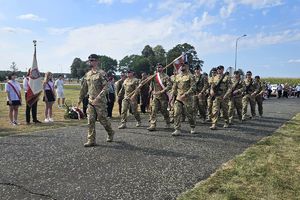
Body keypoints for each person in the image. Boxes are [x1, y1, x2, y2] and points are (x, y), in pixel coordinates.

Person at [78, 54, 115, 147]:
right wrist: (80, 99)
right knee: (90, 120)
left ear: (97, 61)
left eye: (93, 60)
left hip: (100, 102)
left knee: (103, 120)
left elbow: (106, 87)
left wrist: (98, 97)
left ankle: (110, 132)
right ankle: (91, 140)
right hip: (90, 101)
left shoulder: (101, 73)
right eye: (89, 60)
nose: (91, 62)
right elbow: (84, 88)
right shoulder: (88, 74)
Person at [171, 62, 196, 136]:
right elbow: (174, 87)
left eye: (184, 65)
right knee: (176, 113)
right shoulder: (177, 76)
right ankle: (177, 129)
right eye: (181, 66)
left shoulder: (191, 76)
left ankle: (192, 127)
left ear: (187, 66)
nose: (182, 67)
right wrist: (172, 95)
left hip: (187, 98)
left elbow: (193, 87)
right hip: (179, 97)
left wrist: (186, 94)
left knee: (189, 114)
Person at [147, 63, 172, 131]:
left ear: (162, 68)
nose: (158, 68)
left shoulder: (166, 76)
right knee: (153, 110)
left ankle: (167, 122)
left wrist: (162, 91)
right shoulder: (154, 76)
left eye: (160, 67)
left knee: (164, 111)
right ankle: (153, 125)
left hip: (163, 97)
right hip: (156, 96)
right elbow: (150, 83)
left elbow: (169, 86)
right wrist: (151, 89)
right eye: (157, 67)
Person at [209, 65, 231, 130]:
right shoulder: (214, 77)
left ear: (223, 70)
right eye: (218, 69)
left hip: (224, 96)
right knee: (215, 110)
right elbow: (212, 86)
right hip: (216, 96)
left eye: (220, 69)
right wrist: (211, 90)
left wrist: (226, 95)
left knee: (225, 111)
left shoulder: (227, 78)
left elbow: (230, 88)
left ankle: (226, 122)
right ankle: (214, 124)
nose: (219, 70)